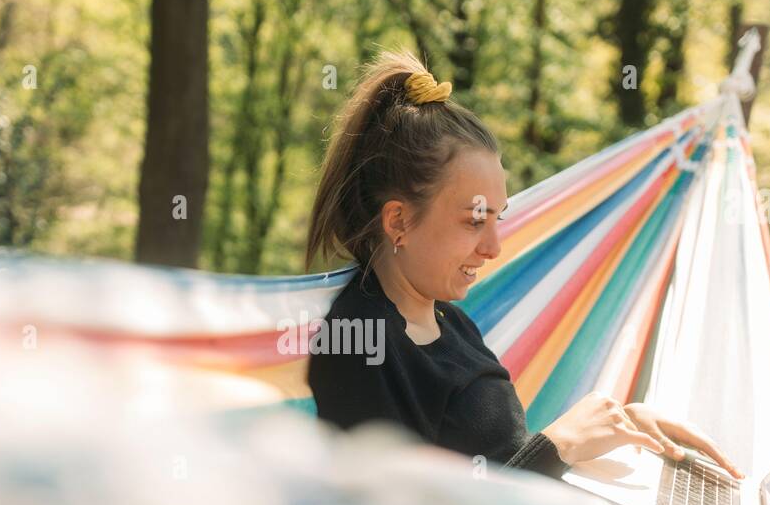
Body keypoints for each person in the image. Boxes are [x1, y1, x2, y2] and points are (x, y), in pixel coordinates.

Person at [305, 49, 742, 482]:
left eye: (499, 217)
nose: (494, 247)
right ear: (399, 221)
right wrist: (559, 445)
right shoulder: (359, 338)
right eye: (475, 220)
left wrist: (620, 425)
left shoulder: (453, 323)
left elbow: (500, 459)